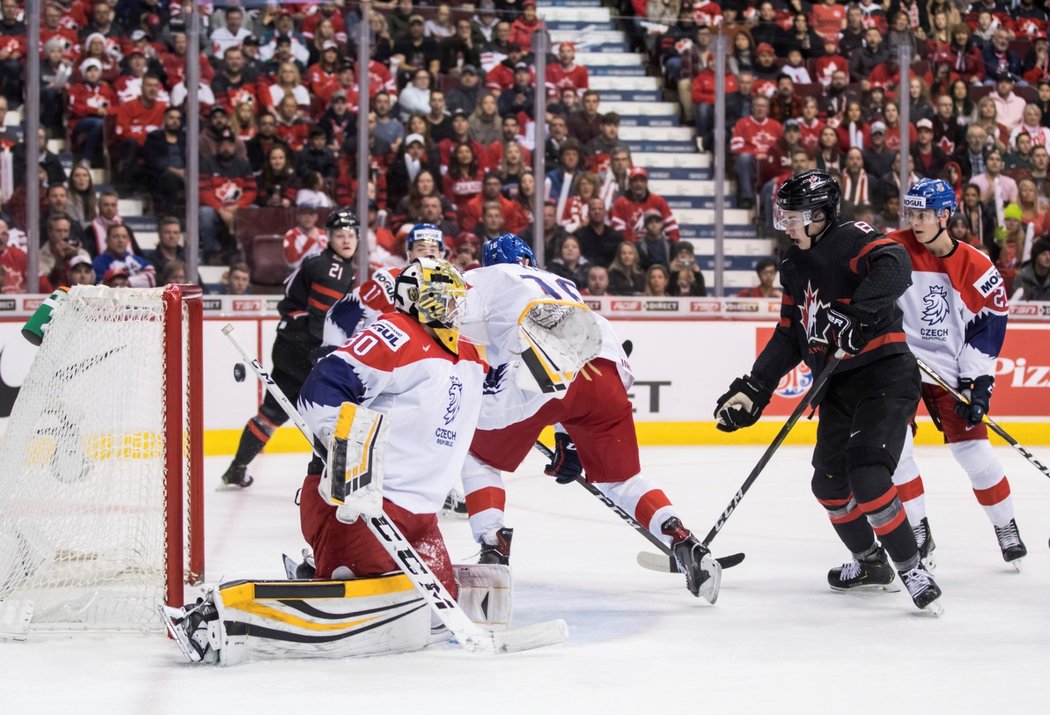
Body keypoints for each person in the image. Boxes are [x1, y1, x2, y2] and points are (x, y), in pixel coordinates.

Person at [713, 170, 943, 615]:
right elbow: (788, 335)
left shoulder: (850, 237)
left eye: (794, 216)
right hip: (837, 384)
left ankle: (913, 568)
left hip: (885, 375)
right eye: (783, 215)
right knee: (830, 485)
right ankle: (871, 564)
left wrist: (857, 318)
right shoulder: (794, 265)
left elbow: (895, 263)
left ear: (821, 215)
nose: (786, 224)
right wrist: (754, 389)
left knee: (870, 476)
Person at [459, 235, 722, 602]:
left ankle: (493, 546)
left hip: (541, 370)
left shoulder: (490, 276)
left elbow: (447, 315)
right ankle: (682, 539)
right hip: (605, 376)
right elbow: (576, 358)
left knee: (476, 456)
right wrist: (568, 439)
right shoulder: (561, 283)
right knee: (623, 480)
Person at [885, 178, 1027, 572]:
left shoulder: (976, 265)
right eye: (910, 213)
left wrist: (978, 382)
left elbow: (989, 326)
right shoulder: (891, 249)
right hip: (899, 364)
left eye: (924, 214)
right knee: (896, 452)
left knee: (976, 454)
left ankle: (1006, 526)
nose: (915, 221)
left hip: (949, 368)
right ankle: (918, 532)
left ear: (945, 215)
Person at [219, 208, 359, 489]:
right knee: (331, 410)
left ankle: (237, 468)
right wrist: (327, 355)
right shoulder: (336, 268)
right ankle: (331, 477)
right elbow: (320, 318)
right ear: (328, 238)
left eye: (351, 235)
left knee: (271, 413)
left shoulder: (318, 260)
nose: (346, 240)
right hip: (304, 347)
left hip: (286, 344)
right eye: (340, 235)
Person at [323, 223, 447, 349]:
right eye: (421, 249)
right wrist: (331, 348)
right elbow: (342, 313)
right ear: (409, 253)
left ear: (441, 255)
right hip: (377, 359)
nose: (427, 255)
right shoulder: (389, 280)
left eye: (433, 250)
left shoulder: (452, 289)